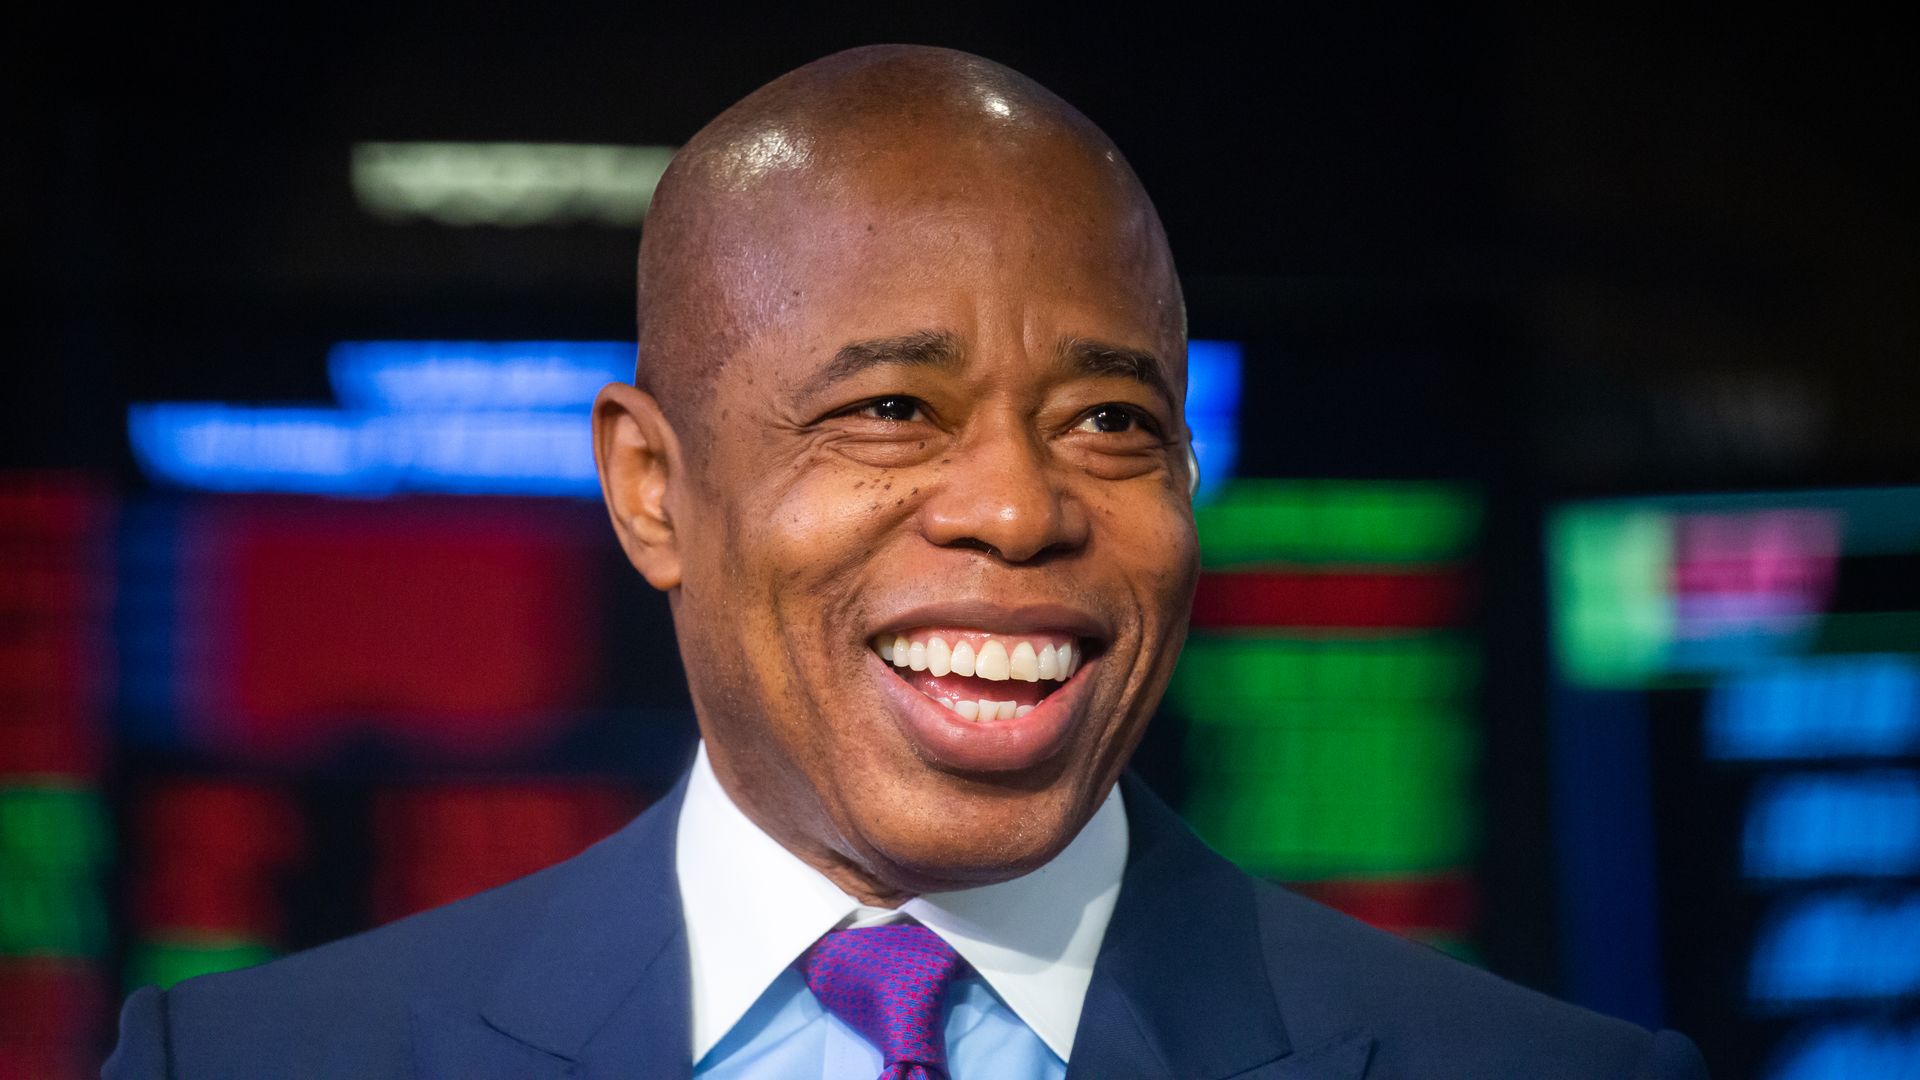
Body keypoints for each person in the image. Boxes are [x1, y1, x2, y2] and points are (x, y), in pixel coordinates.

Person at [105, 45, 1708, 1079]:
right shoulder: (251, 1061)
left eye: (1107, 421)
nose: (1018, 511)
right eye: (888, 409)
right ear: (652, 490)